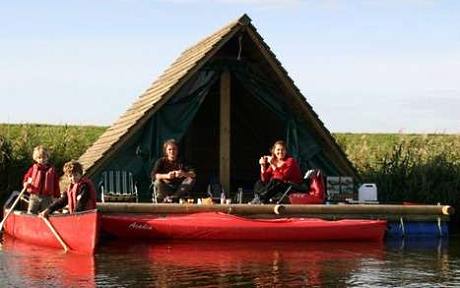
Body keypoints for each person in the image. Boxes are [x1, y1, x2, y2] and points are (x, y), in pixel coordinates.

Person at [22, 145, 61, 214]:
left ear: (47, 158)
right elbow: (27, 178)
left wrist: (57, 196)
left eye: (44, 157)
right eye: (39, 158)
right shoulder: (33, 169)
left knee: (45, 212)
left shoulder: (52, 170)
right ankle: (30, 223)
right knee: (31, 211)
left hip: (47, 197)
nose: (42, 160)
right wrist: (25, 183)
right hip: (34, 196)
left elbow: (56, 184)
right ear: (36, 159)